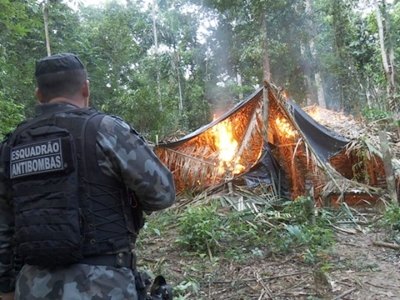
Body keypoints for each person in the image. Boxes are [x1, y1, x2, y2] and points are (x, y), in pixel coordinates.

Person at [0, 53, 176, 299]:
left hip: (32, 286)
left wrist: (6, 288)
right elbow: (162, 194)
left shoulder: (12, 145)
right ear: (85, 88)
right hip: (104, 284)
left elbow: (4, 226)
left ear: (39, 95)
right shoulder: (106, 130)